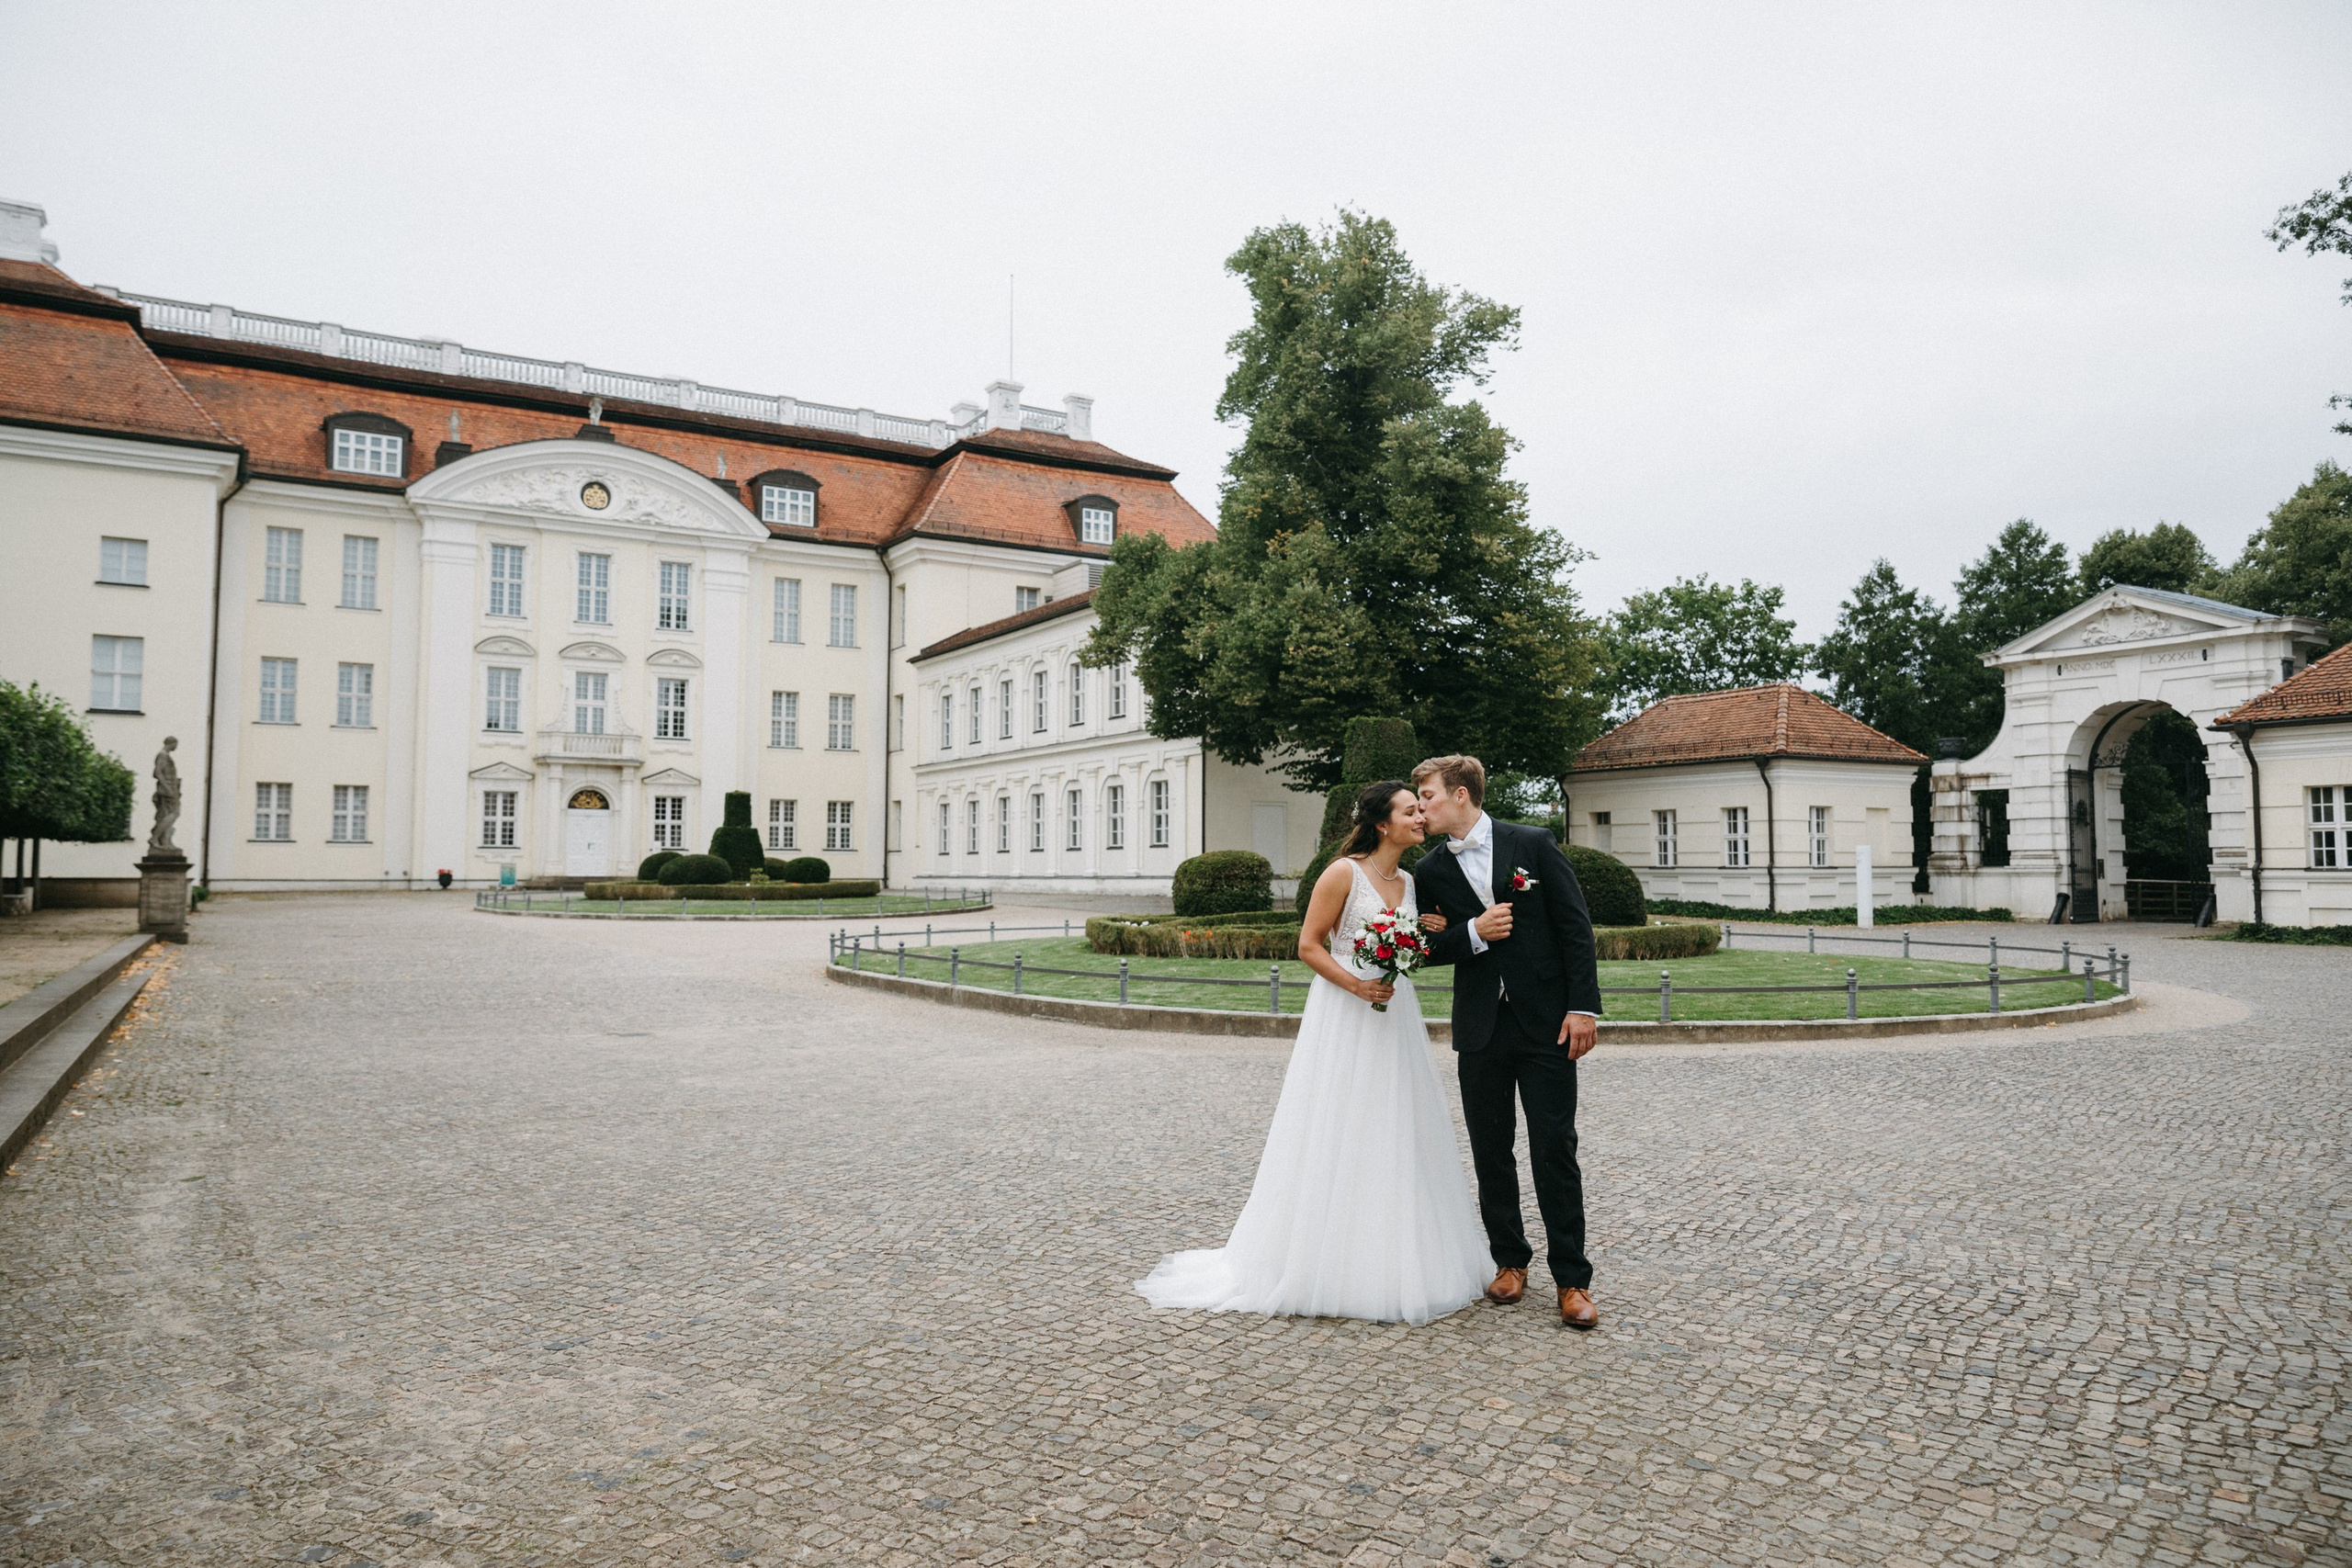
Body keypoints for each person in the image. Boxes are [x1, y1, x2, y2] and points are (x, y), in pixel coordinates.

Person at [1136, 781, 1492, 1324]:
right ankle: (1322, 1258)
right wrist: (1356, 987)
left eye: (1421, 809)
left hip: (1393, 1011)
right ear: (1382, 823)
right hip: (1346, 1010)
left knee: (1395, 1122)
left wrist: (1421, 934)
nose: (1421, 817)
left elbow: (1405, 950)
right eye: (1409, 811)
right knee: (1339, 1120)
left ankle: (1396, 1250)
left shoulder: (1411, 881)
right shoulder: (1343, 872)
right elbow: (1308, 944)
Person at [1410, 754, 1606, 1330]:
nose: (1420, 806)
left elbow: (1575, 927)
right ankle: (1509, 1261)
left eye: (1427, 795)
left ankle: (1572, 1279)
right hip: (1479, 1029)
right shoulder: (1429, 872)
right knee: (1491, 1151)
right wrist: (1471, 932)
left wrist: (1582, 1008)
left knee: (1554, 1148)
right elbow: (1422, 948)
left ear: (1462, 795)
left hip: (1547, 1023)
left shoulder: (1533, 844)